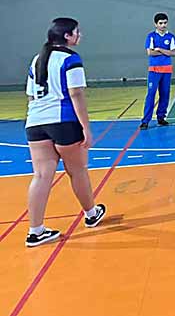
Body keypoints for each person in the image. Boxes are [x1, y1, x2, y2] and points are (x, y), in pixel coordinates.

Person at [24, 18, 107, 247]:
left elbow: (30, 96)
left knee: (41, 176)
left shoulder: (37, 59)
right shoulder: (71, 59)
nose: (80, 35)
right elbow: (76, 94)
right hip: (64, 122)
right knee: (77, 170)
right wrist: (86, 128)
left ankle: (35, 231)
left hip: (35, 122)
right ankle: (91, 214)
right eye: (77, 32)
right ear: (67, 36)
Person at [141, 12, 175, 130]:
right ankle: (145, 121)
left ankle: (161, 118)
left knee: (165, 94)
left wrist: (160, 49)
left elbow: (174, 53)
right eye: (161, 23)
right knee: (151, 94)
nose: (163, 25)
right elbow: (150, 52)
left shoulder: (170, 37)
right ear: (155, 24)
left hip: (167, 70)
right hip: (154, 70)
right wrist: (166, 52)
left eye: (165, 23)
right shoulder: (151, 36)